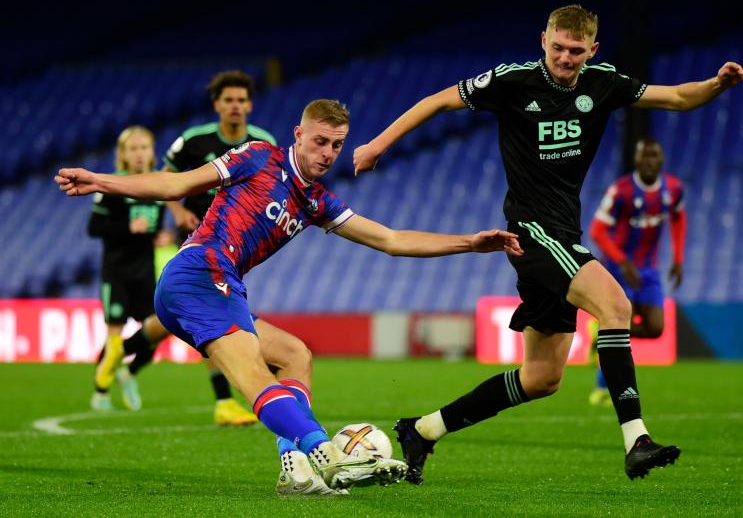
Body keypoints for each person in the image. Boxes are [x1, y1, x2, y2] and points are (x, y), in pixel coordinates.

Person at [353, 4, 743, 482]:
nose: (564, 57)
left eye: (575, 51)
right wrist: (376, 145)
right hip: (533, 231)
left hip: (564, 233)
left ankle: (424, 429)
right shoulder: (513, 81)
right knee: (616, 307)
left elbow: (679, 97)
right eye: (557, 47)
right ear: (543, 40)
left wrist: (716, 85)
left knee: (542, 378)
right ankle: (636, 439)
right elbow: (437, 101)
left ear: (592, 50)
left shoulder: (603, 82)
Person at [56, 99, 523, 495]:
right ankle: (328, 452)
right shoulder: (258, 157)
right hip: (200, 272)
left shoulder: (315, 200)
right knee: (255, 375)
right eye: (319, 141)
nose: (327, 153)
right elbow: (178, 183)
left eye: (336, 145)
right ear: (298, 134)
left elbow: (391, 239)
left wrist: (469, 242)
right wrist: (101, 181)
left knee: (295, 356)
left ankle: (295, 468)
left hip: (215, 284)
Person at [127, 69, 280, 426]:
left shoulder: (263, 144)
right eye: (229, 100)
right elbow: (167, 177)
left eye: (242, 100)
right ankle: (225, 402)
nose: (236, 106)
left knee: (173, 320)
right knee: (215, 313)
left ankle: (124, 350)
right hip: (197, 242)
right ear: (216, 104)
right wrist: (178, 210)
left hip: (235, 247)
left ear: (250, 105)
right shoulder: (194, 141)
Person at [587, 138, 686, 406]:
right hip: (620, 269)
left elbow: (678, 217)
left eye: (655, 156)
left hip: (649, 270)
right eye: (646, 156)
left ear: (661, 160)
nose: (651, 161)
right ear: (637, 160)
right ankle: (600, 388)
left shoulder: (674, 188)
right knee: (620, 329)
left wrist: (678, 258)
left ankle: (600, 333)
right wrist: (622, 262)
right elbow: (597, 230)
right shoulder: (621, 191)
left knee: (655, 328)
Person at [87, 126, 166, 412]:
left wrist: (159, 236)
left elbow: (154, 225)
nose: (140, 153)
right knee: (115, 337)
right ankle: (101, 392)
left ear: (153, 152)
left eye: (145, 147)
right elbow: (94, 227)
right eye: (133, 148)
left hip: (144, 272)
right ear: (122, 154)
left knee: (160, 328)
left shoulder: (159, 185)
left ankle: (128, 373)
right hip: (117, 273)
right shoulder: (112, 185)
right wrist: (128, 228)